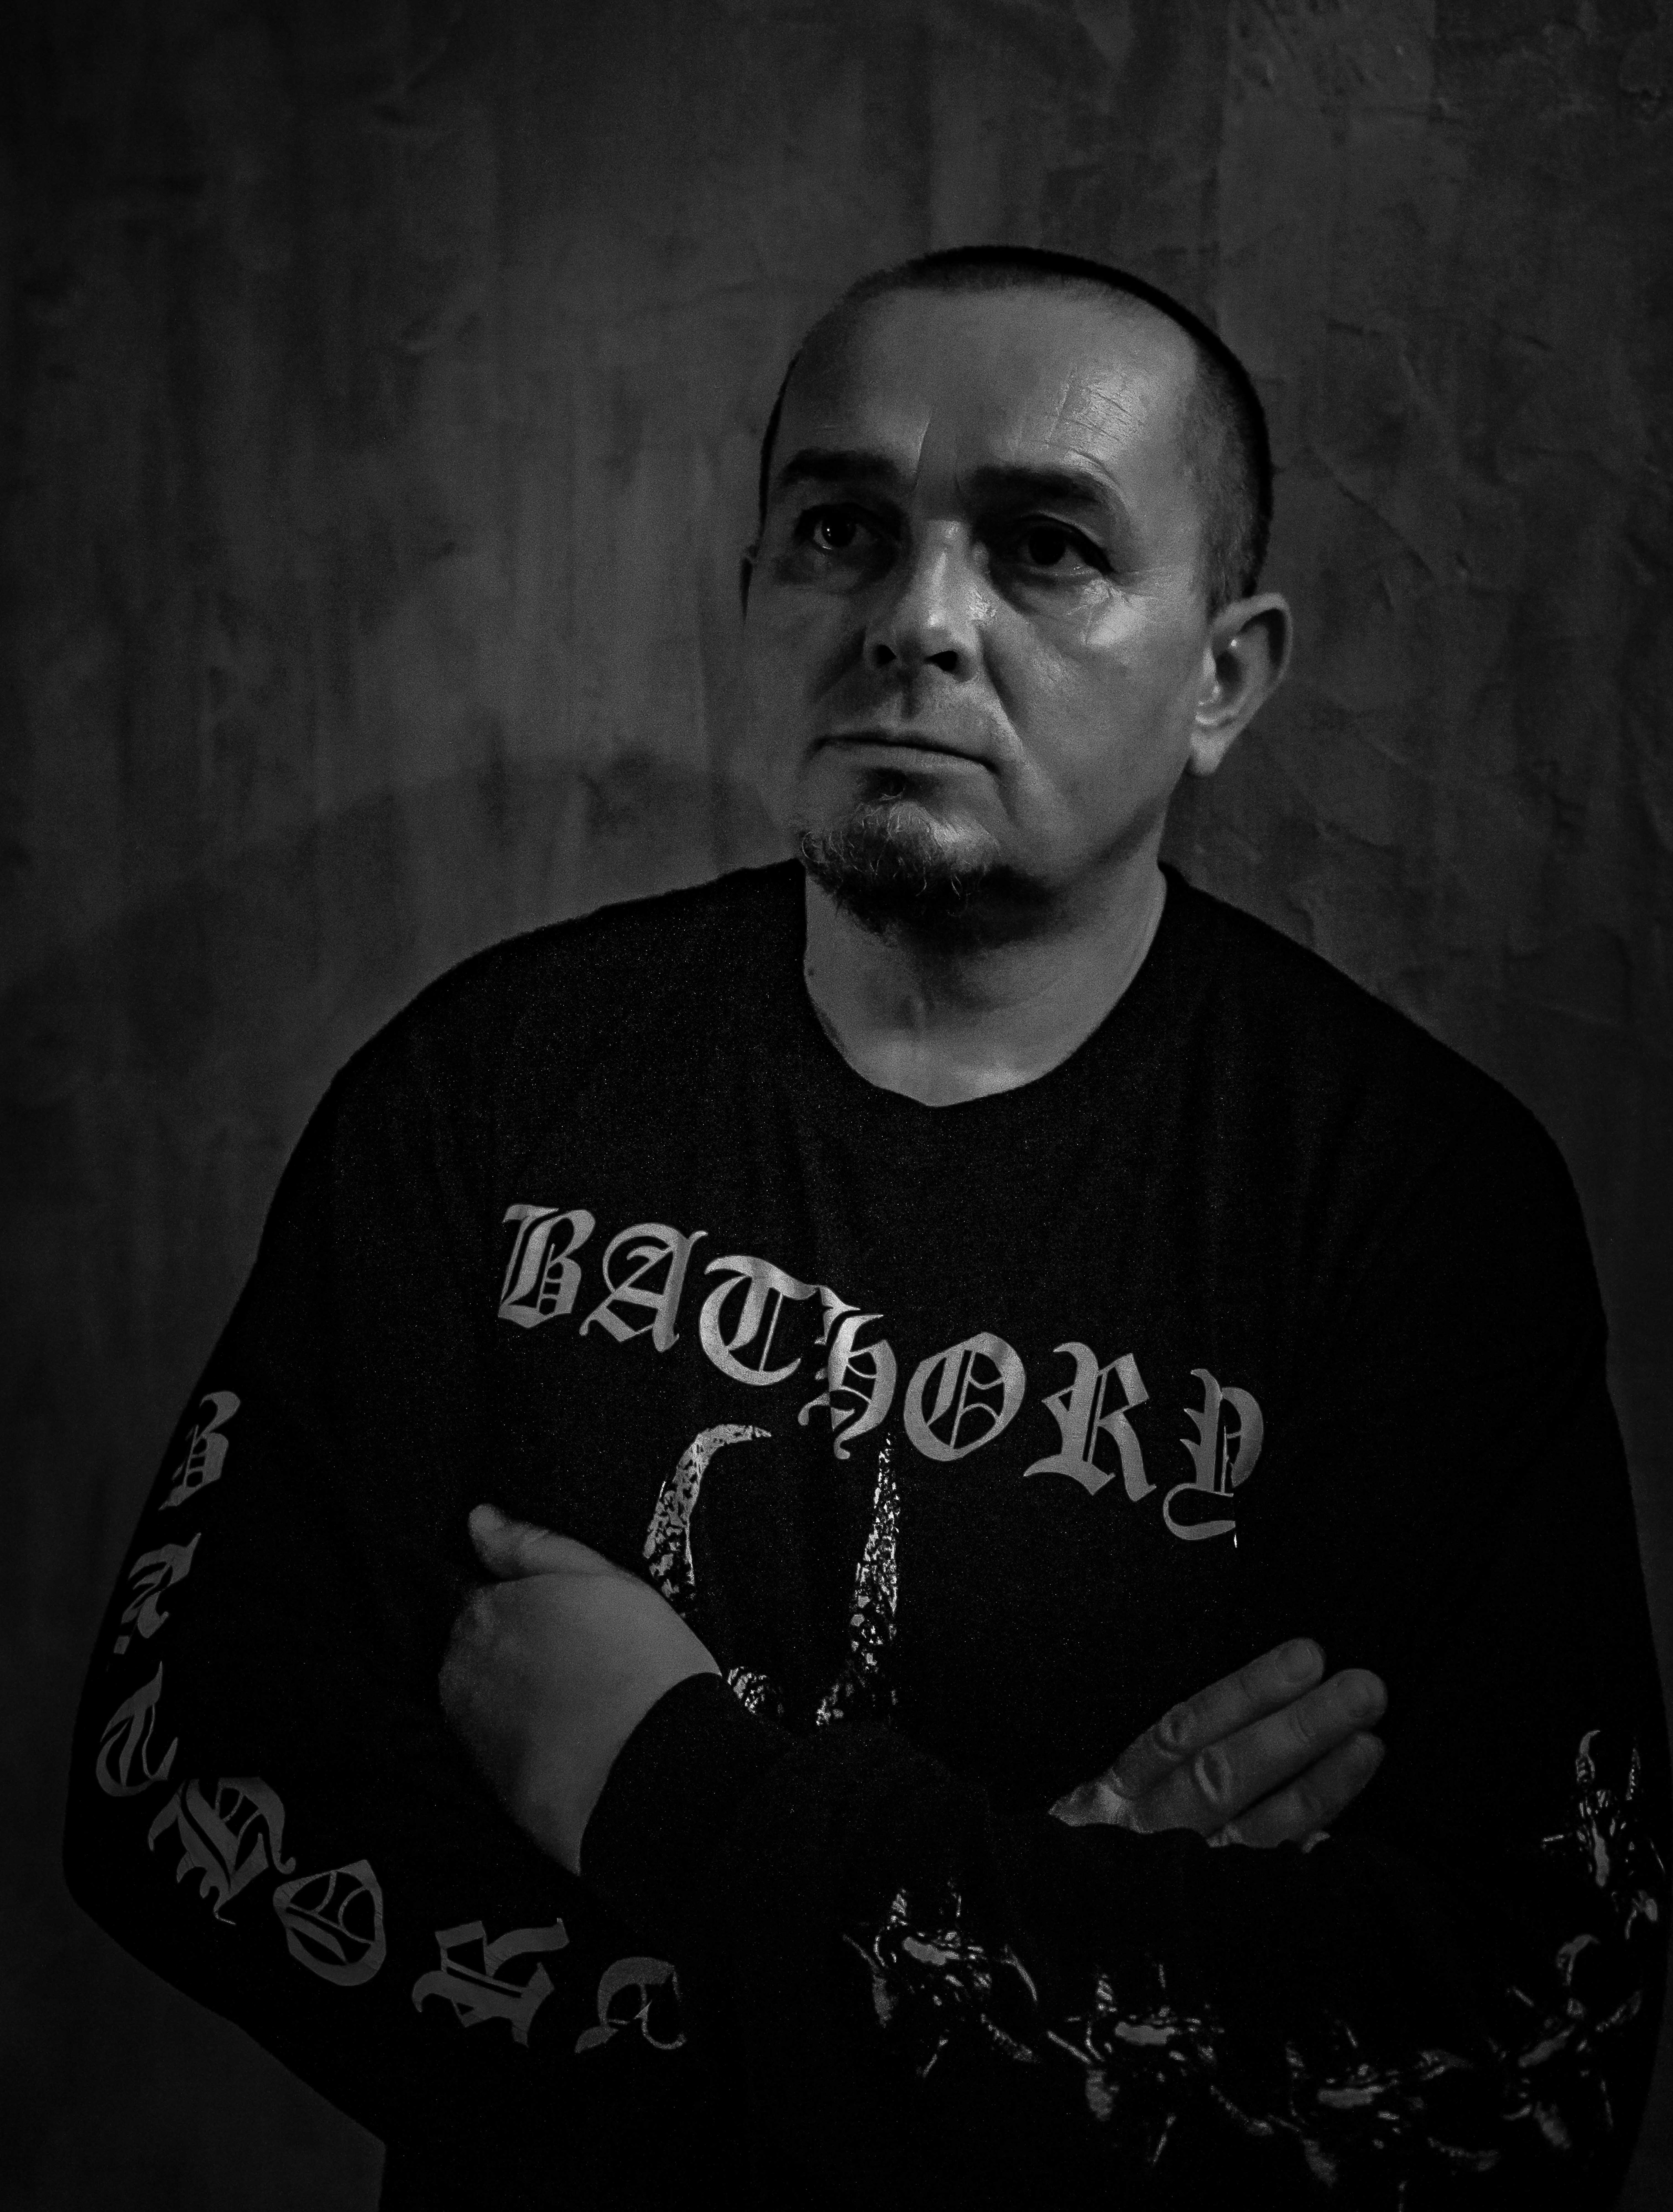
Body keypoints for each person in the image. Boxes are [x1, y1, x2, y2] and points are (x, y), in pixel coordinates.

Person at [65, 245, 1668, 2209]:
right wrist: (994, 2009)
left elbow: (1520, 2069)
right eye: (841, 529)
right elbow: (172, 1783)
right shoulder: (489, 1088)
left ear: (1224, 677)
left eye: (1047, 548)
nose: (916, 620)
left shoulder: (1420, 1209)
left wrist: (667, 1792)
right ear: (756, 590)